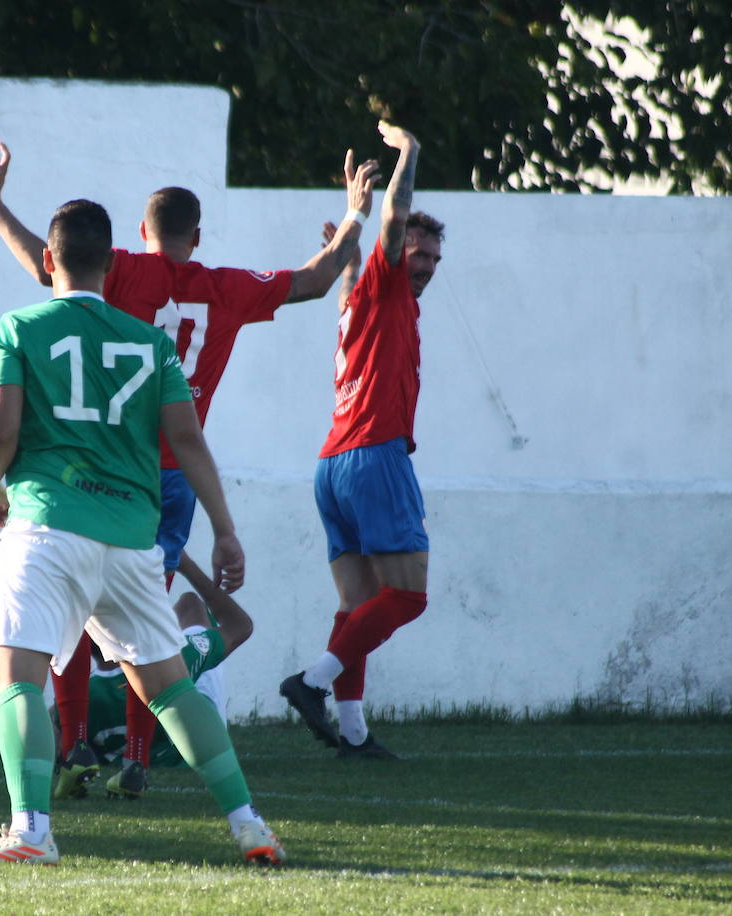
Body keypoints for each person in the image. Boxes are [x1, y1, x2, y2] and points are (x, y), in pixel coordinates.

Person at [0, 140, 379, 798]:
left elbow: (51, 266)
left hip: (109, 461)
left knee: (69, 610)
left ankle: (74, 743)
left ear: (138, 234)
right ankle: (136, 755)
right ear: (197, 235)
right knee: (147, 626)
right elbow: (314, 279)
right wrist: (356, 214)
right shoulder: (224, 288)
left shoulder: (125, 274)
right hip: (171, 478)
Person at [0, 198, 284, 866]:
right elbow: (186, 440)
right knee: (168, 687)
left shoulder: (18, 327)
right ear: (111, 264)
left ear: (48, 260)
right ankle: (250, 825)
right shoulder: (152, 342)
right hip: (134, 540)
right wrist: (224, 530)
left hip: (48, 527)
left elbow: (2, 427)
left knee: (12, 672)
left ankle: (31, 830)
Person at [280, 122, 443, 760]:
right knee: (406, 596)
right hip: (374, 455)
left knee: (357, 606)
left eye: (432, 258)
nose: (423, 265)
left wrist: (347, 246)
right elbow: (395, 217)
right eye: (417, 254)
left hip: (335, 463)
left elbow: (351, 286)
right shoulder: (389, 280)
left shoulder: (363, 298)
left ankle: (352, 734)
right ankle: (310, 682)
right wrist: (410, 150)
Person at [84, 551, 252, 786]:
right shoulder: (177, 659)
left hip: (113, 735)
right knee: (190, 604)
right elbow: (240, 626)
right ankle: (243, 815)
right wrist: (185, 564)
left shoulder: (83, 694)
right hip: (189, 749)